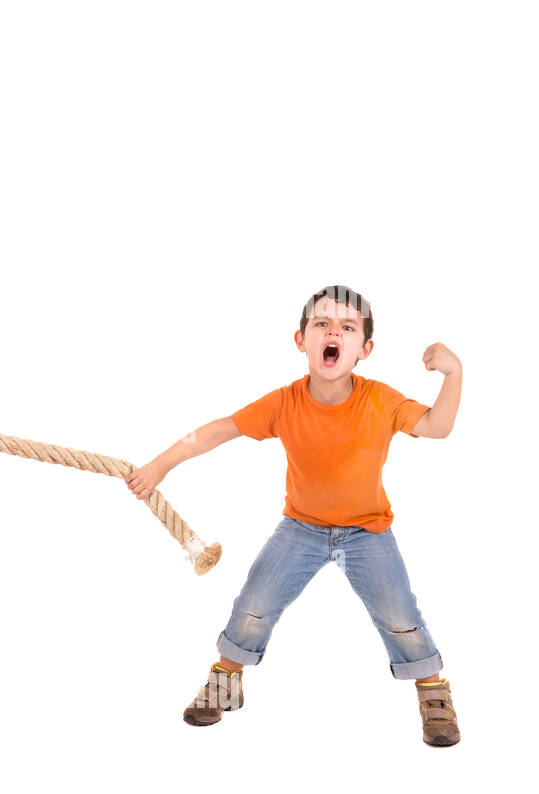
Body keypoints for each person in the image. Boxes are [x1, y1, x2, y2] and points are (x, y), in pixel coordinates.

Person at [125, 285, 463, 747]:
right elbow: (217, 431)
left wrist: (453, 374)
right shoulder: (284, 403)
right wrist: (159, 465)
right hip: (301, 527)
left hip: (368, 532)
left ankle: (432, 691)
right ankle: (227, 678)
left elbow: (438, 427)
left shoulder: (380, 400)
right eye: (321, 323)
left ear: (364, 349)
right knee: (253, 605)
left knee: (399, 615)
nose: (333, 332)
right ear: (301, 339)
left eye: (347, 327)